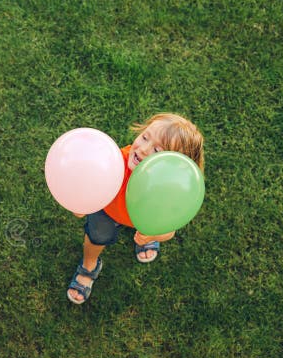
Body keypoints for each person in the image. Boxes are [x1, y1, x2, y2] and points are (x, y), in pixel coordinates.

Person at [66, 113, 205, 304]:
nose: (143, 149)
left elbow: (168, 231)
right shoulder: (114, 163)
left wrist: (153, 235)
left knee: (147, 229)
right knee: (97, 236)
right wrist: (83, 203)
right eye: (145, 137)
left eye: (157, 150)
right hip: (107, 210)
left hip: (143, 217)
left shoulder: (170, 190)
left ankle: (144, 239)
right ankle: (89, 265)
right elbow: (90, 184)